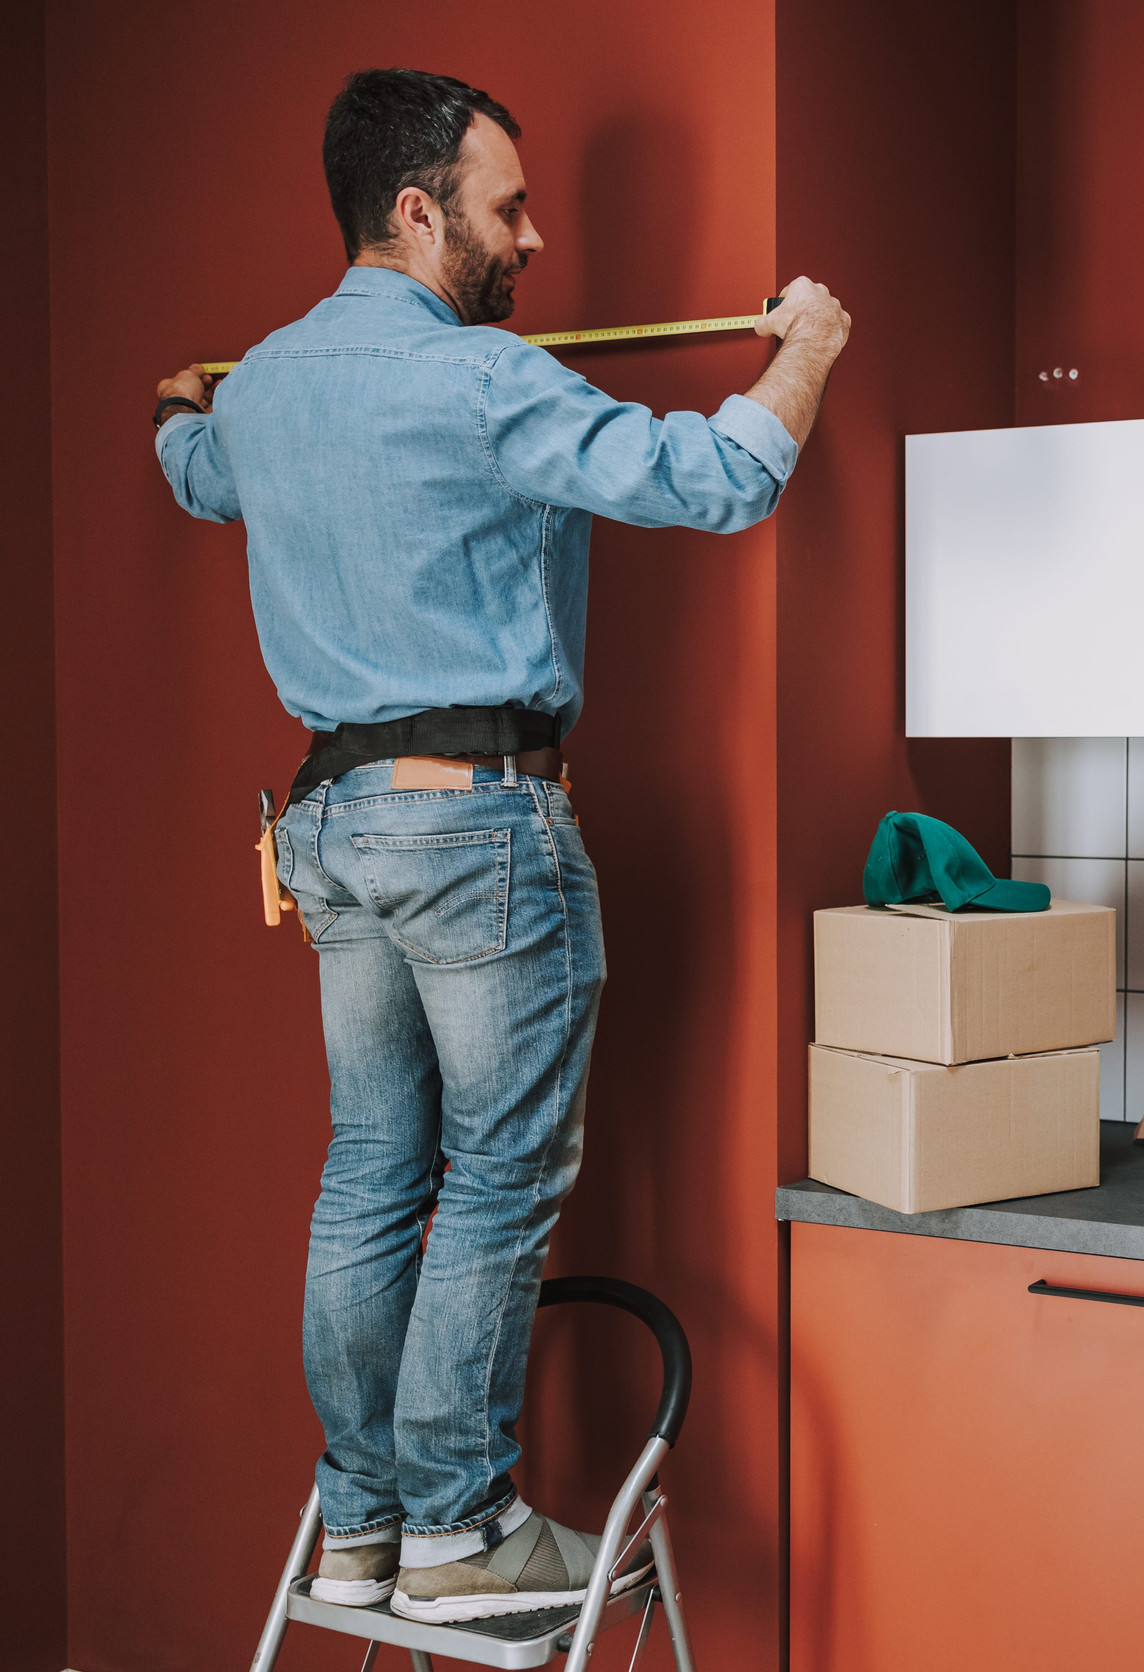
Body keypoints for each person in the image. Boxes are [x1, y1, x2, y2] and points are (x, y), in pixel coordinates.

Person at [151, 68, 849, 1625]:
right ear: (419, 209)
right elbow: (721, 477)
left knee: (368, 1180)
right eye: (507, 204)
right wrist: (805, 351)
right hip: (477, 831)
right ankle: (461, 1532)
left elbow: (196, 474)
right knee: (495, 1183)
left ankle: (362, 1527)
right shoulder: (482, 380)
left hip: (331, 831)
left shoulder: (261, 389)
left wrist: (178, 398)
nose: (531, 236)